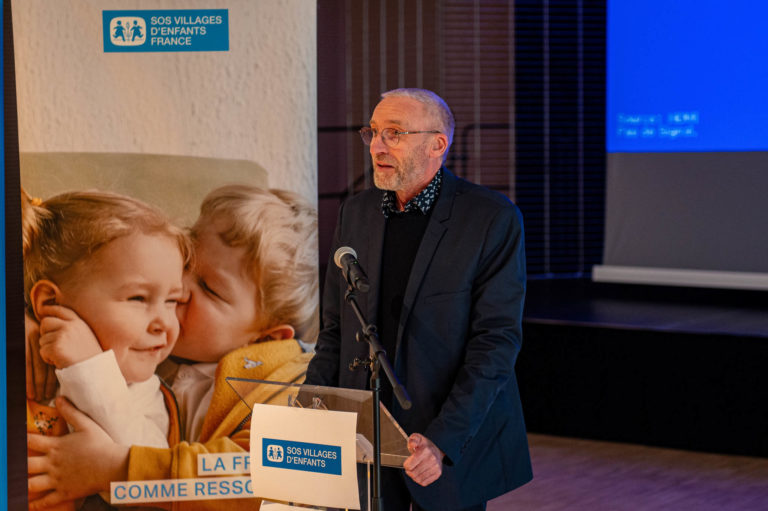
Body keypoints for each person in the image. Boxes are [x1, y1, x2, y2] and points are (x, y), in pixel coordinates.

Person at [304, 88, 532, 511]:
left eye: (393, 133)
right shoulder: (356, 212)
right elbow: (336, 328)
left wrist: (443, 439)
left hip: (443, 439)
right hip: (363, 439)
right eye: (373, 132)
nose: (377, 146)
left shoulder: (490, 219)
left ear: (437, 145)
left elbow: (495, 344)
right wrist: (309, 404)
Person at [28, 185, 320, 511]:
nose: (179, 288)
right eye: (186, 260)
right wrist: (31, 320)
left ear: (265, 339)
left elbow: (269, 477)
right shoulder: (154, 343)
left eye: (209, 288)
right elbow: (74, 259)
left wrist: (118, 469)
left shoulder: (291, 381)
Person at [23, 189, 191, 508]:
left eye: (173, 301)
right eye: (138, 298)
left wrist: (92, 369)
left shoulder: (143, 391)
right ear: (50, 302)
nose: (164, 323)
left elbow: (153, 485)